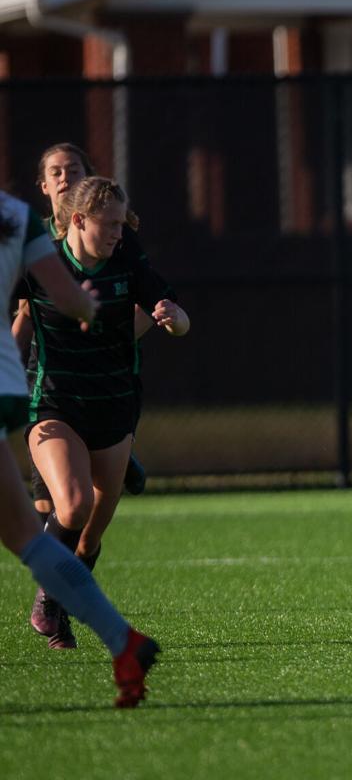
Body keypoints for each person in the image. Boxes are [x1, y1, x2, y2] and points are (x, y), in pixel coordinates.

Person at [0, 187, 159, 706]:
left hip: (53, 397)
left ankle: (117, 638)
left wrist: (87, 307)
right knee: (33, 533)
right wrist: (80, 304)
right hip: (19, 392)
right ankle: (122, 641)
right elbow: (65, 295)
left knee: (57, 521)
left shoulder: (18, 222)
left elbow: (64, 295)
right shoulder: (20, 218)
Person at [18, 175, 189, 650]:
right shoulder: (39, 261)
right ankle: (48, 603)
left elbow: (176, 310)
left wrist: (174, 321)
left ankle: (62, 608)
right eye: (109, 224)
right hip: (55, 403)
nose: (119, 232)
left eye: (121, 223)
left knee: (89, 540)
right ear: (78, 220)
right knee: (72, 504)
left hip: (114, 407)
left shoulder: (127, 260)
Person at [16, 143, 152, 523]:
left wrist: (108, 337)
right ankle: (52, 576)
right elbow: (24, 314)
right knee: (51, 503)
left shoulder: (114, 233)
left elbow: (151, 299)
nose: (65, 178)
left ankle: (117, 455)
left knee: (88, 515)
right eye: (56, 172)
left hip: (108, 379)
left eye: (73, 170)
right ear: (43, 186)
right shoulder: (38, 244)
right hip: (51, 373)